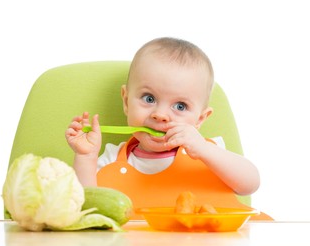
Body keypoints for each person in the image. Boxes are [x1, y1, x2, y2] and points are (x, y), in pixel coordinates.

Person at [65, 37, 260, 215]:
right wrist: (86, 157)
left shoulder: (210, 153)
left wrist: (203, 149)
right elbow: (87, 206)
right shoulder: (111, 159)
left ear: (200, 119)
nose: (160, 115)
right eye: (149, 98)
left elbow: (250, 184)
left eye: (180, 106)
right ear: (126, 101)